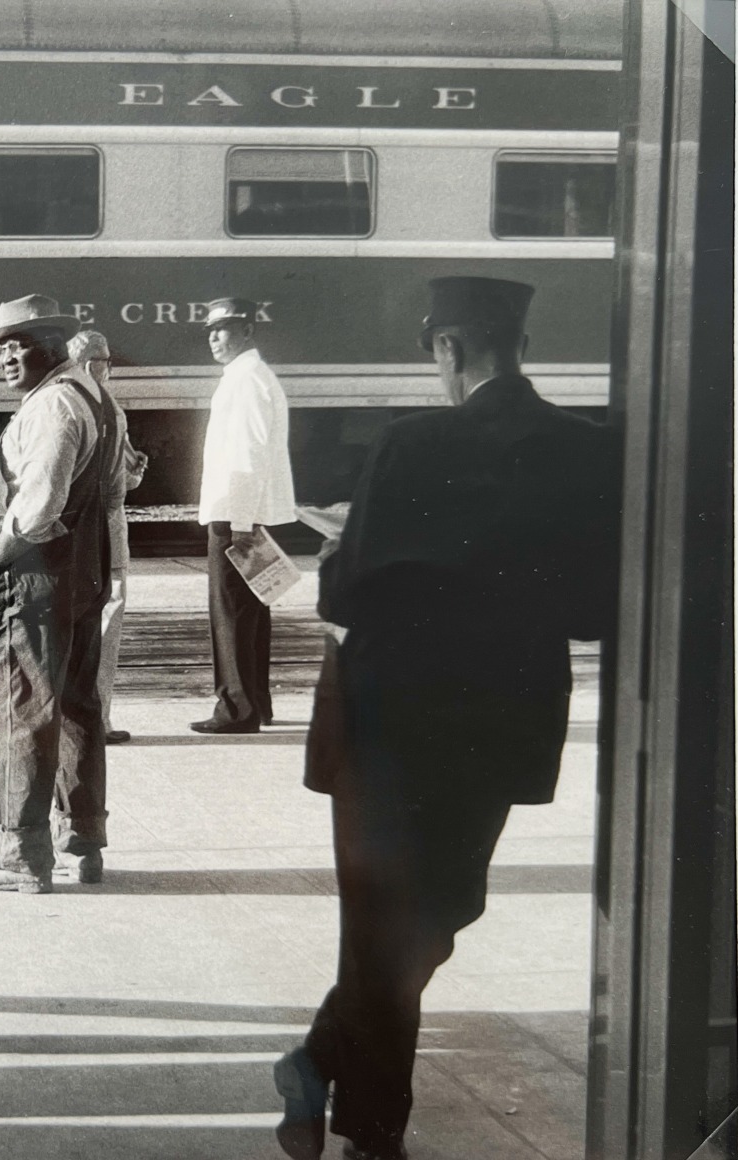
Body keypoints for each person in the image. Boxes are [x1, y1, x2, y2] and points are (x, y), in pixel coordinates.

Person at [273, 277, 620, 1160]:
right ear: (517, 344)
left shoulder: (407, 443)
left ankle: (324, 1073)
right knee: (441, 909)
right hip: (501, 715)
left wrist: (363, 556)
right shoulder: (586, 450)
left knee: (380, 923)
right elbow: (592, 607)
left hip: (385, 718)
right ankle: (361, 1119)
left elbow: (346, 592)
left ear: (448, 349)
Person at [0, 295, 119, 893]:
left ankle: (18, 857)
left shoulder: (52, 404)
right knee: (78, 704)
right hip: (81, 572)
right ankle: (81, 837)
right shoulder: (94, 397)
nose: (6, 356)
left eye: (18, 343)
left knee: (19, 706)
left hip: (31, 578)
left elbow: (38, 503)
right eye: (1, 346)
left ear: (52, 345)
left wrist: (2, 552)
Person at [192, 297, 297, 734]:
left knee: (231, 613)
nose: (215, 338)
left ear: (248, 331)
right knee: (251, 613)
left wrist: (237, 523)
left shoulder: (247, 379)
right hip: (243, 511)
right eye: (211, 331)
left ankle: (236, 709)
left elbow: (249, 453)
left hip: (235, 513)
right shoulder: (249, 376)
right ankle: (256, 703)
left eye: (225, 329)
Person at [67, 330, 150, 744]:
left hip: (73, 530)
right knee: (105, 620)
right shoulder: (108, 409)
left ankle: (71, 717)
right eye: (104, 362)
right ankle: (96, 717)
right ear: (92, 365)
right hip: (105, 531)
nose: (108, 369)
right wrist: (131, 475)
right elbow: (120, 487)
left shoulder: (62, 401)